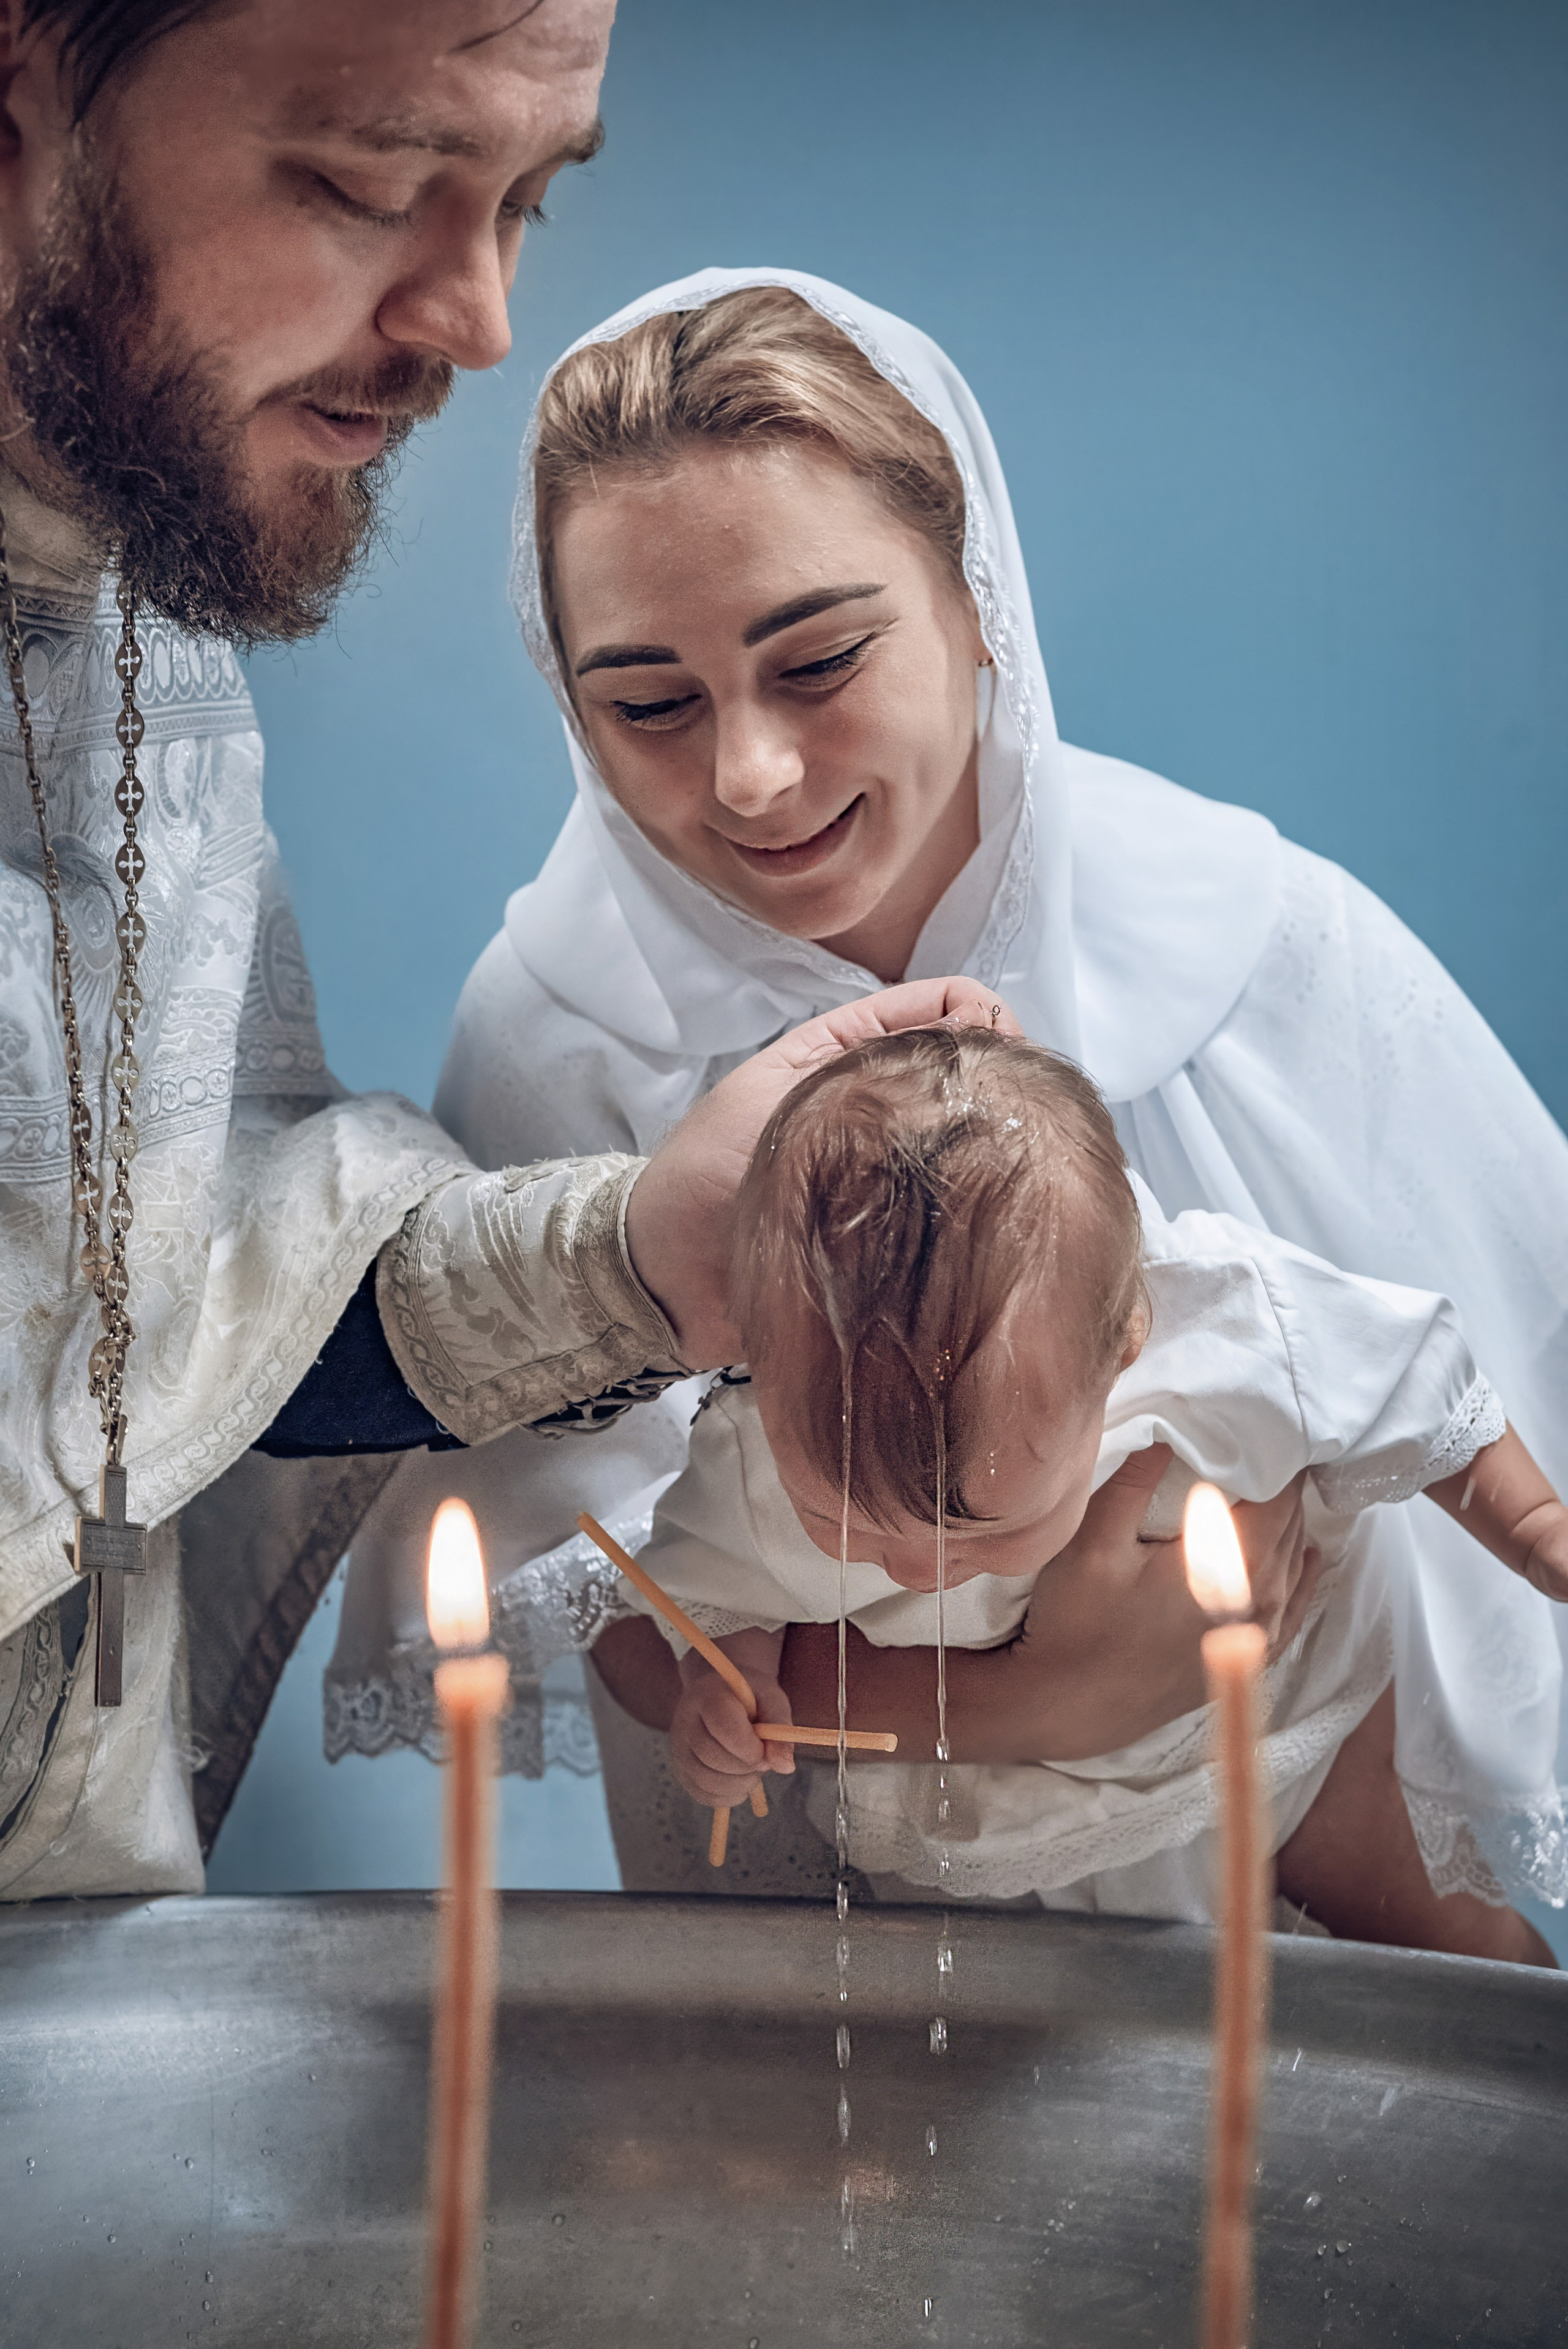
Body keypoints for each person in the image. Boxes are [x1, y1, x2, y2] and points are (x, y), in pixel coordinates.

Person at [336, 267, 1568, 1930]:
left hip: (1286, 1847)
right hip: (858, 1934)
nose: (750, 775)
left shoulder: (1254, 943)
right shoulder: (563, 1047)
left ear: (979, 593)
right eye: (647, 704)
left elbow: (1456, 1373)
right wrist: (1032, 1697)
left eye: (821, 658)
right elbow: (603, 1576)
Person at [0, 4, 998, 1902]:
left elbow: (159, 1324)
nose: (479, 320)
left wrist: (644, 1252)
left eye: (525, 200)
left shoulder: (148, 640)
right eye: (371, 183)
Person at [630, 1024, 1560, 1963]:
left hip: (1280, 1712)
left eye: (985, 1528)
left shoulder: (1218, 1324)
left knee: (1426, 1930)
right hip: (1006, 1797)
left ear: (1122, 1344)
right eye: (841, 1522)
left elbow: (1410, 1374)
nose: (917, 1564)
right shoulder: (754, 1447)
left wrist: (1530, 1524)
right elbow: (716, 1584)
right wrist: (726, 1678)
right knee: (1081, 2001)